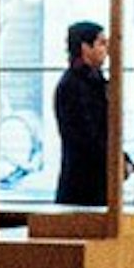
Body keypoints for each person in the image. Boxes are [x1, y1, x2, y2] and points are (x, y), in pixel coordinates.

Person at [52, 20, 113, 206]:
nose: (106, 50)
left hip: (98, 180)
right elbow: (84, 136)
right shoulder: (72, 86)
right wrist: (112, 158)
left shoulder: (97, 82)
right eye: (101, 43)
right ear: (85, 47)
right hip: (81, 183)